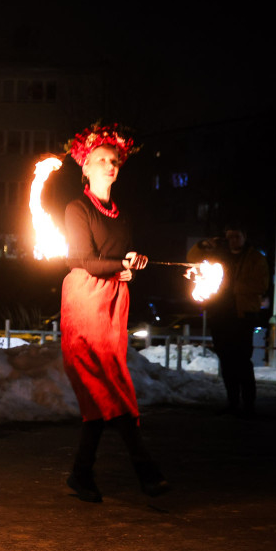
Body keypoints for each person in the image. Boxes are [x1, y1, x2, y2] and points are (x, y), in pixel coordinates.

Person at [59, 123, 170, 503]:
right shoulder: (77, 208)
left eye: (115, 161)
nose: (110, 165)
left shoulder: (122, 215)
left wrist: (132, 263)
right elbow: (83, 259)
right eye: (101, 160)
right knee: (108, 383)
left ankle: (81, 473)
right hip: (85, 300)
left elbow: (117, 259)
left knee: (104, 388)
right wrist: (119, 265)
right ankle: (147, 470)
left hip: (113, 301)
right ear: (85, 166)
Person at [187, 225, 269, 417]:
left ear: (244, 236)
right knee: (225, 359)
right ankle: (232, 402)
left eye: (237, 236)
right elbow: (192, 258)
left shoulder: (255, 258)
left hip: (242, 315)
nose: (233, 240)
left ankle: (248, 404)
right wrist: (205, 244)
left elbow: (261, 284)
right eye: (230, 236)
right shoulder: (218, 256)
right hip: (219, 314)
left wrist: (230, 286)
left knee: (242, 360)